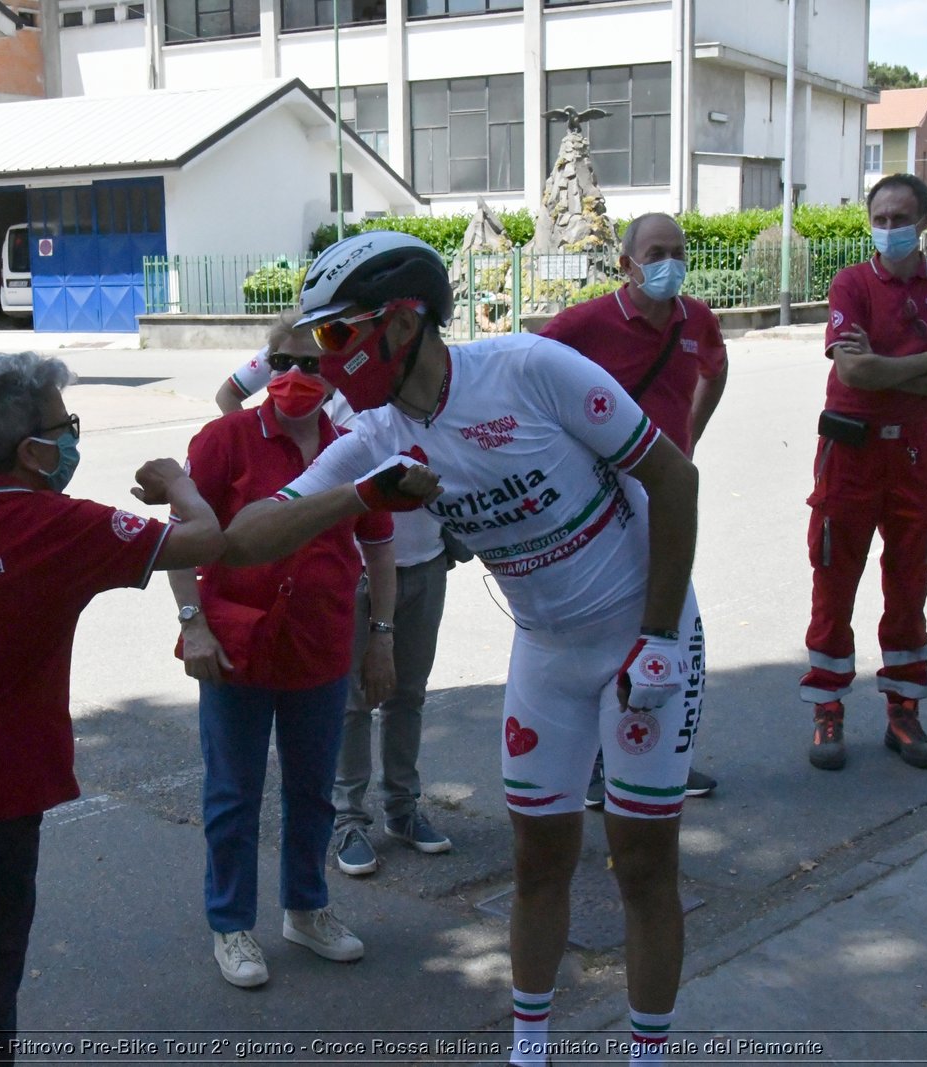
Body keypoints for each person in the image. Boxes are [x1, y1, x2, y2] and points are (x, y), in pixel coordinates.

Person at [220, 232, 703, 1067]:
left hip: (642, 636)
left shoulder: (527, 369)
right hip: (548, 650)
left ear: (402, 323)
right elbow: (247, 537)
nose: (326, 359)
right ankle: (528, 1050)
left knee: (642, 864)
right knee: (537, 861)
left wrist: (659, 637)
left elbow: (674, 478)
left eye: (338, 335)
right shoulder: (373, 432)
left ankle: (649, 1054)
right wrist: (363, 492)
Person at [0, 353, 223, 1062]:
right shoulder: (58, 525)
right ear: (30, 448)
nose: (71, 436)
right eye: (63, 425)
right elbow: (212, 539)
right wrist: (179, 483)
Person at [172, 311, 396, 988]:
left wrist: (381, 639)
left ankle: (306, 907)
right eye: (282, 362)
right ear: (265, 369)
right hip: (237, 644)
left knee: (311, 791)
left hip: (319, 643)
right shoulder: (223, 440)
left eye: (310, 363)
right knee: (233, 792)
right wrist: (194, 623)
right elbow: (182, 539)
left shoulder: (357, 447)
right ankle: (231, 923)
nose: (295, 376)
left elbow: (381, 550)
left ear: (332, 375)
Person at [215, 355, 454, 875]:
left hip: (424, 564)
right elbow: (231, 394)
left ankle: (403, 808)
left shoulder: (437, 392)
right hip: (362, 571)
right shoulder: (346, 392)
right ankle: (349, 820)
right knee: (352, 701)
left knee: (407, 693)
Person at [539, 211, 726, 808]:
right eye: (655, 252)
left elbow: (715, 370)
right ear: (626, 264)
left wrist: (688, 438)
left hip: (665, 495)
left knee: (667, 620)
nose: (669, 263)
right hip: (601, 498)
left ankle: (660, 754)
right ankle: (597, 763)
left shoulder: (696, 320)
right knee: (610, 626)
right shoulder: (585, 323)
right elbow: (526, 373)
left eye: (678, 251)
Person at [801, 173, 927, 771]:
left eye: (899, 218)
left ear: (925, 222)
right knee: (834, 583)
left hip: (913, 454)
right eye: (879, 219)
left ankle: (903, 711)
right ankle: (828, 710)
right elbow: (853, 375)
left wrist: (890, 364)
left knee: (909, 584)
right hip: (849, 455)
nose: (888, 229)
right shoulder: (851, 283)